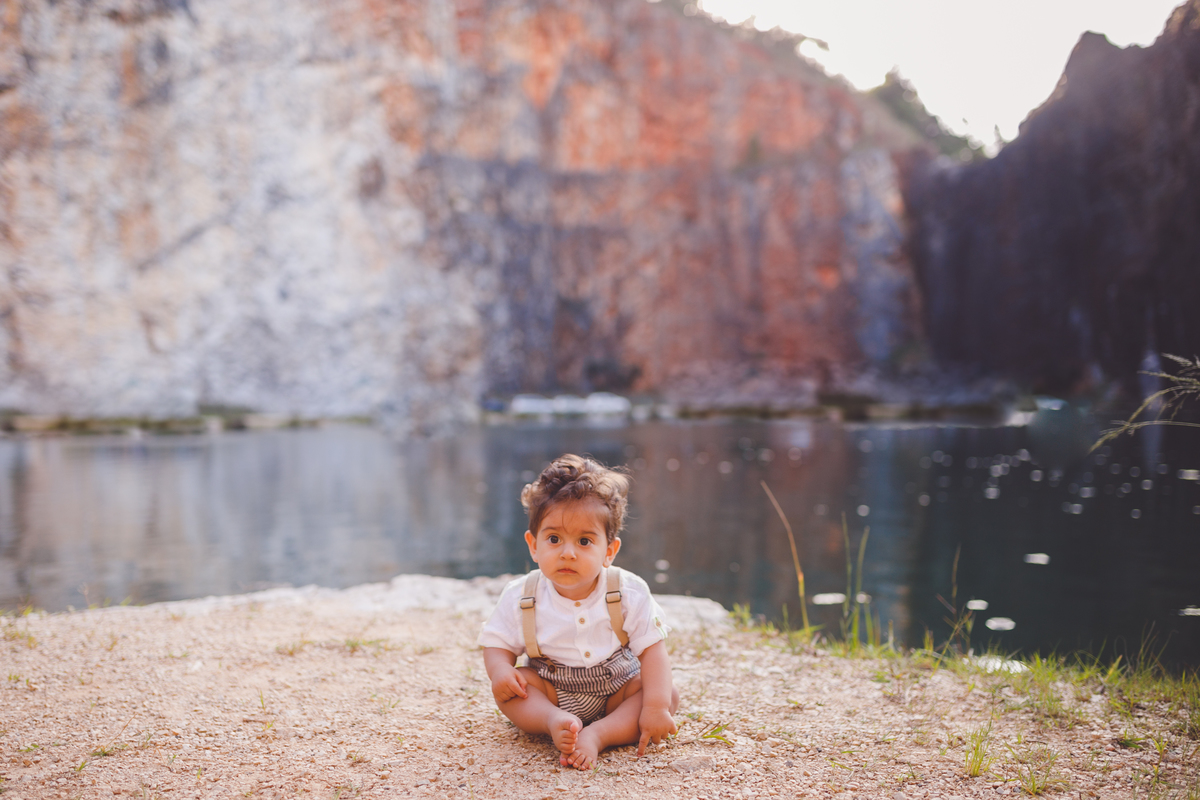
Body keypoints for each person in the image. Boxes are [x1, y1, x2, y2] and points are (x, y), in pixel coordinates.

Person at [478, 454, 679, 770]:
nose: (567, 553)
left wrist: (655, 707)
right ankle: (554, 721)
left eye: (584, 541)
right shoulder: (522, 595)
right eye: (554, 539)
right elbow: (497, 644)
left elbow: (653, 650)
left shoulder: (628, 591)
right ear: (534, 545)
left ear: (609, 551)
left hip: (616, 688)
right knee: (513, 692)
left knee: (664, 693)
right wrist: (501, 671)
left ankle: (600, 733)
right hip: (551, 688)